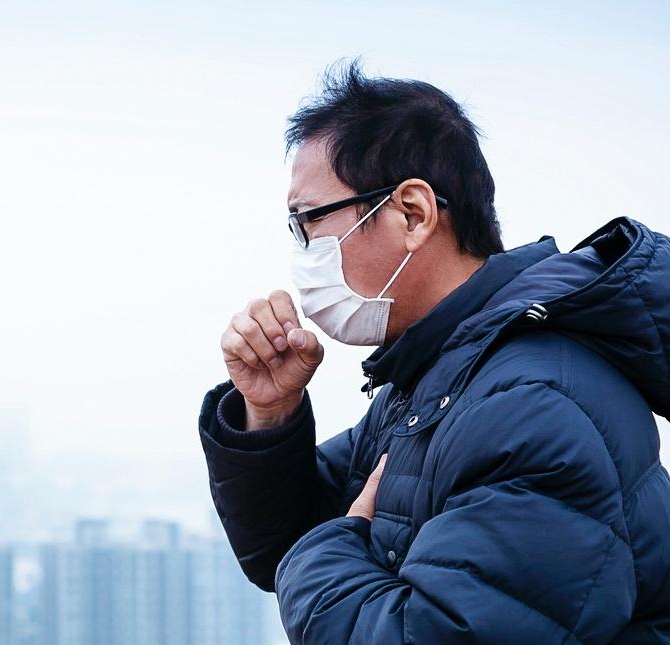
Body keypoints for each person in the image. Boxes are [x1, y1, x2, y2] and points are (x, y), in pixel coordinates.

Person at [198, 61, 670, 643]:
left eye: (308, 221)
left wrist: (333, 548)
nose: (302, 252)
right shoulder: (439, 381)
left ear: (413, 214)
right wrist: (270, 413)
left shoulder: (528, 405)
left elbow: (431, 629)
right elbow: (285, 545)